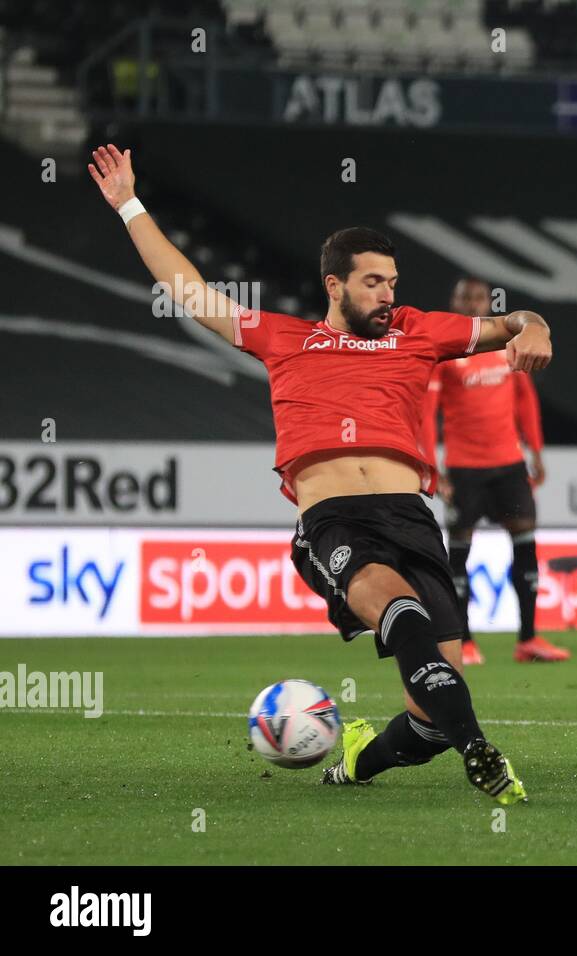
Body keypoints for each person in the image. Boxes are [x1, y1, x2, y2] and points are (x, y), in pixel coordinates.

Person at [88, 143, 553, 802]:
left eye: (393, 282)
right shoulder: (284, 339)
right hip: (337, 521)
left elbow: (515, 321)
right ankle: (482, 752)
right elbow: (187, 290)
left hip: (412, 518)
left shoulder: (418, 331)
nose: (388, 294)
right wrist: (129, 204)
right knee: (403, 615)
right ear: (334, 284)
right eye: (373, 282)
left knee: (429, 719)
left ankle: (364, 758)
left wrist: (537, 327)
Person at [421, 277, 571, 664]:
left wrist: (535, 452)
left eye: (477, 297)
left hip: (508, 466)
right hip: (464, 469)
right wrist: (432, 467)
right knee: (458, 555)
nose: (471, 303)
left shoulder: (507, 346)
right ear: (454, 302)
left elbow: (525, 399)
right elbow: (426, 414)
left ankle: (529, 639)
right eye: (464, 297)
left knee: (525, 545)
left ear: (489, 302)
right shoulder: (445, 352)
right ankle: (464, 641)